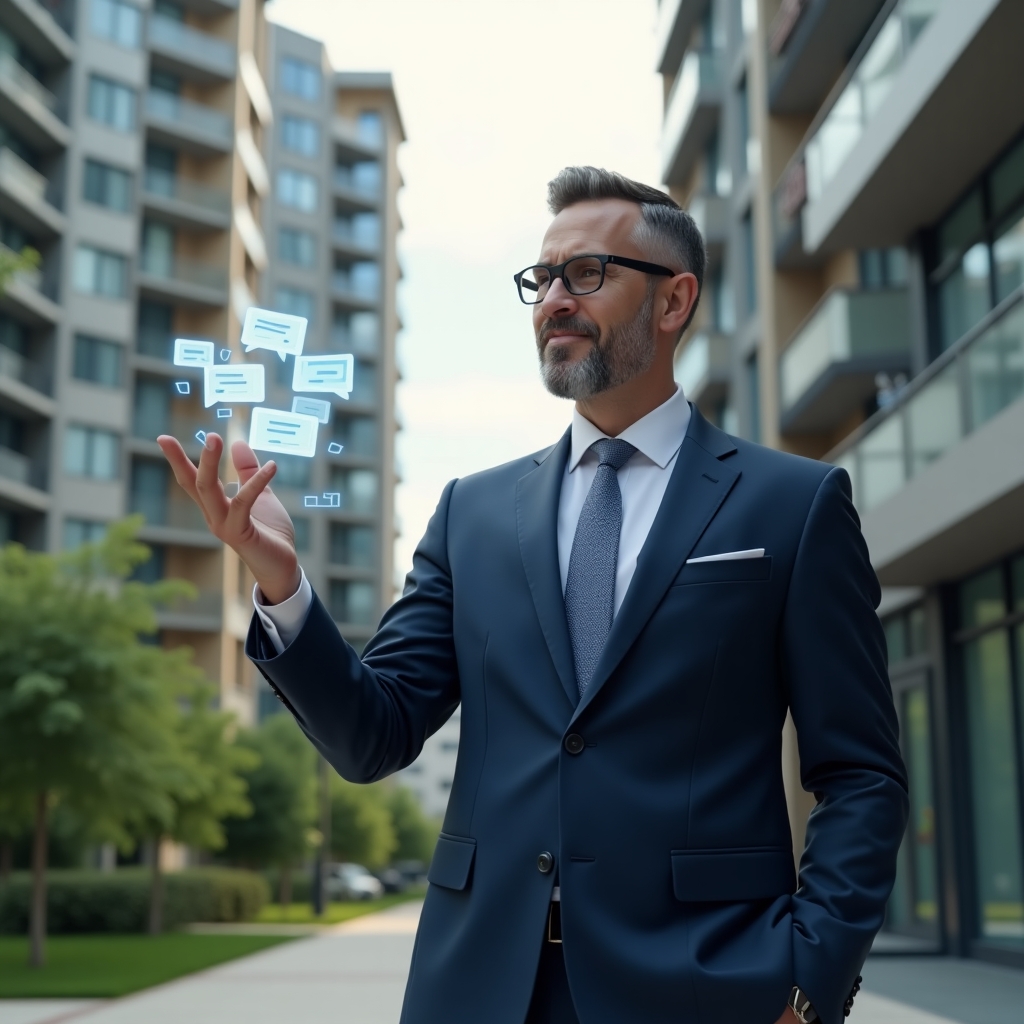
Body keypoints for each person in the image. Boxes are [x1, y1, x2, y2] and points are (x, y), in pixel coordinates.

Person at [158, 167, 908, 1024]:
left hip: (707, 987)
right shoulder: (472, 513)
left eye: (585, 273)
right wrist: (281, 583)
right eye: (542, 278)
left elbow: (861, 776)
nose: (553, 298)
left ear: (674, 301)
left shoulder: (794, 505)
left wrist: (809, 980)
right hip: (479, 986)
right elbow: (375, 733)